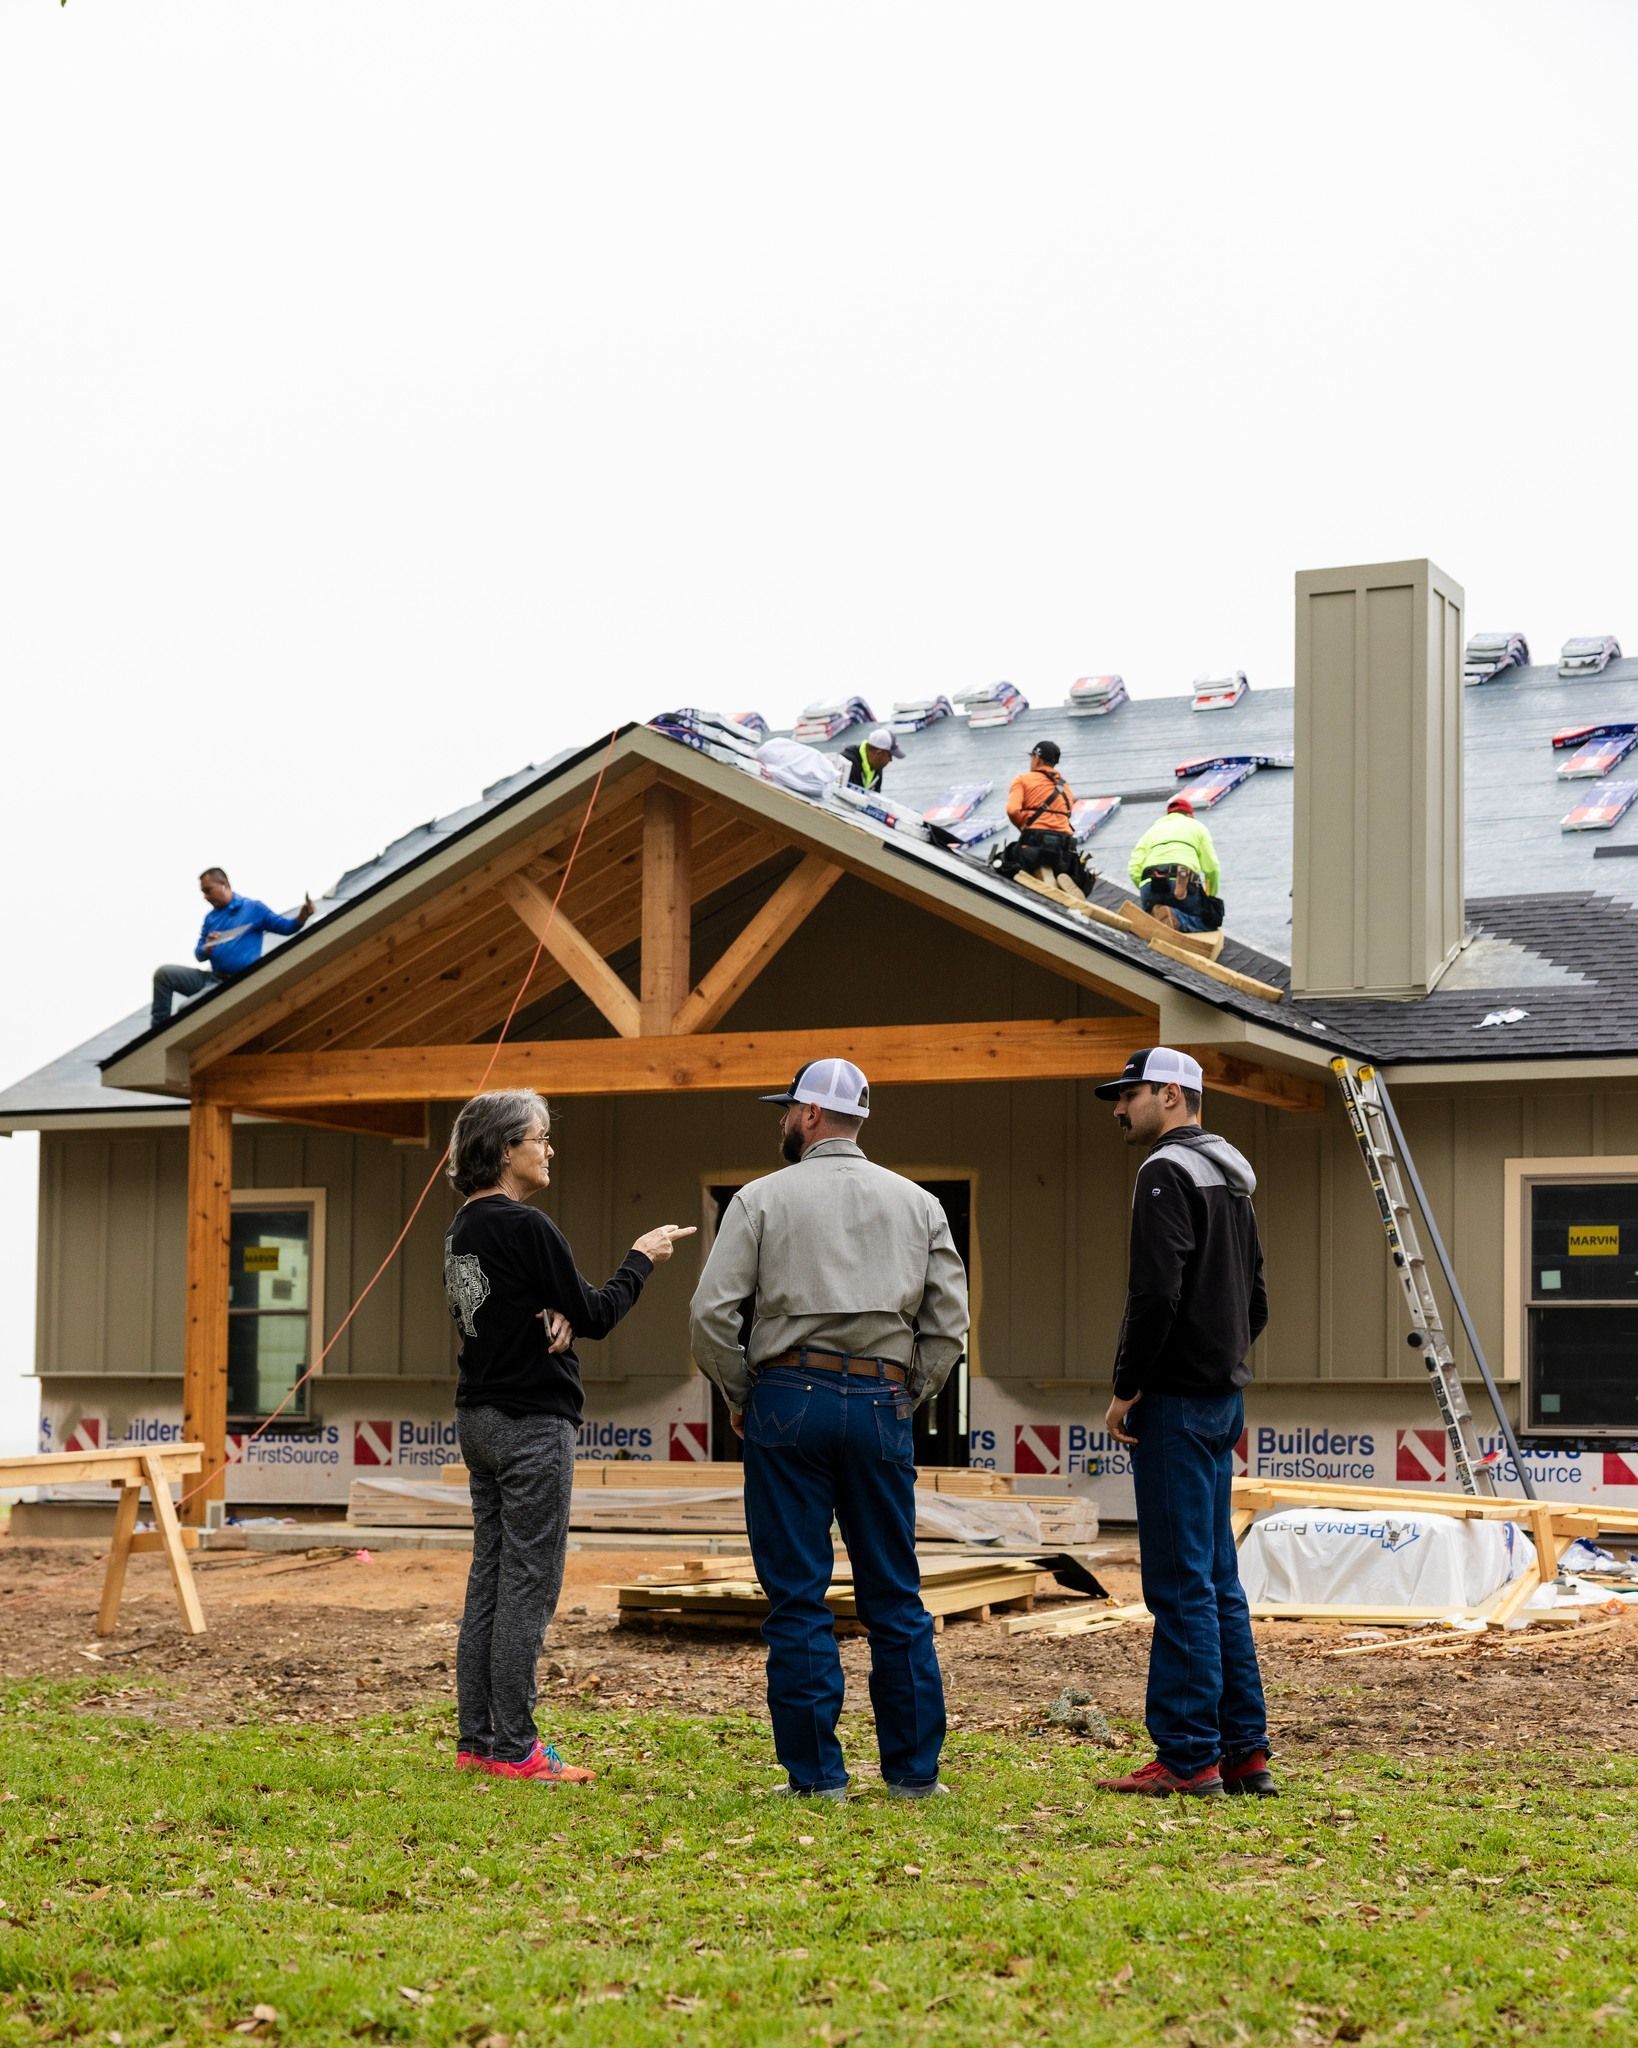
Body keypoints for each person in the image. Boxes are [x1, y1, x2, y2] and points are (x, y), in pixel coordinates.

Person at [688, 1058, 968, 1800]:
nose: (782, 1120)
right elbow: (949, 1326)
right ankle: (913, 1776)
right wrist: (911, 1392)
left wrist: (743, 1391)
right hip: (880, 1402)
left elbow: (711, 1316)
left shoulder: (760, 1199)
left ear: (810, 1115)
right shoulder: (919, 1205)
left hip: (788, 1398)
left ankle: (817, 1779)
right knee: (894, 1594)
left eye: (787, 1109)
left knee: (798, 1595)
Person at [443, 1088, 694, 1784]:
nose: (550, 1149)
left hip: (479, 1419)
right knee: (528, 1584)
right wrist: (643, 1258)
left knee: (489, 1580)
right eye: (540, 1137)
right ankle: (517, 1748)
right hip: (530, 1424)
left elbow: (528, 1311)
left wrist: (557, 1313)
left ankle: (478, 1741)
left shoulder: (463, 1230)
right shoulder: (529, 1228)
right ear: (503, 1150)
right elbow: (599, 1311)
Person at [1091, 1047, 1273, 1799]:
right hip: (1221, 1399)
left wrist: (1128, 1387)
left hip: (1172, 1402)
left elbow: (1155, 1293)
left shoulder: (1164, 1172)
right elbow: (1257, 1299)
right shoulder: (1233, 1176)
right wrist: (1224, 1369)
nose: (1118, 1109)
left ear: (1171, 1094)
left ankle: (1187, 1756)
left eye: (1128, 1094)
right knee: (1219, 1581)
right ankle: (1243, 1754)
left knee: (1177, 1585)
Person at [150, 867, 316, 1030]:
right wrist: (206, 948)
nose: (205, 897)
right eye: (203, 892)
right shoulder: (210, 918)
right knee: (164, 974)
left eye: (208, 890)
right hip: (212, 979)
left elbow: (286, 927)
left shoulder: (253, 908)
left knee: (186, 1009)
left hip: (234, 984)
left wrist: (303, 916)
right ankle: (156, 1034)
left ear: (223, 884)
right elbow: (198, 954)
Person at [997, 740, 1093, 894]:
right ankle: (1065, 883)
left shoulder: (1023, 780)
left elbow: (1012, 810)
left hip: (1032, 849)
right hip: (1063, 853)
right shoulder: (1065, 786)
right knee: (1066, 871)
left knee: (1005, 862)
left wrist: (1024, 826)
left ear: (1037, 757)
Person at [1126, 797, 1221, 933]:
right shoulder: (1197, 827)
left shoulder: (1151, 831)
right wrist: (1210, 898)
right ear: (1190, 815)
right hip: (1181, 878)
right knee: (1208, 922)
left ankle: (1156, 913)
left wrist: (1144, 886)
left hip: (1150, 882)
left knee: (1154, 908)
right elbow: (1212, 869)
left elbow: (1134, 868)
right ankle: (1176, 918)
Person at [840, 725, 903, 792]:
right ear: (878, 753)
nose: (891, 760)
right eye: (890, 755)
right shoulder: (846, 765)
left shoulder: (877, 768)